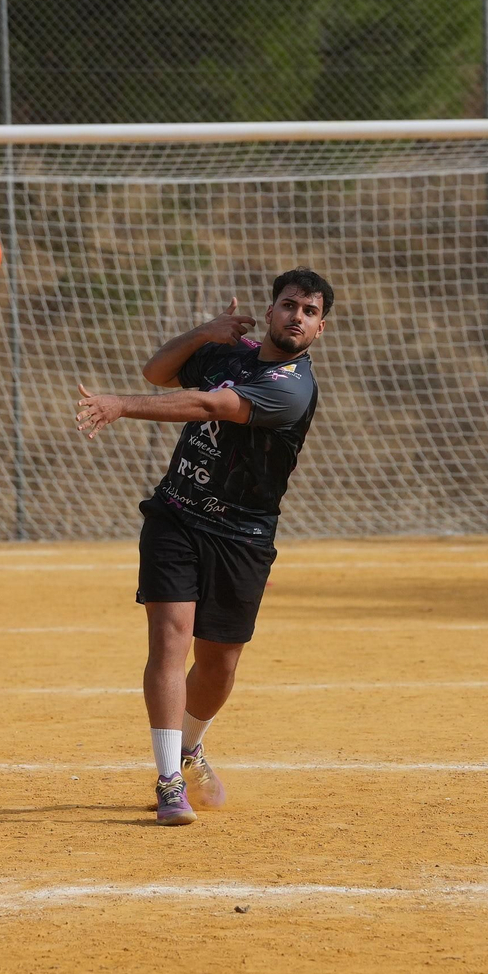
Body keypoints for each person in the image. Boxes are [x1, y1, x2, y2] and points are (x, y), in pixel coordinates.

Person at [74, 268, 333, 825]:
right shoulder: (228, 352)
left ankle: (191, 746)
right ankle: (170, 781)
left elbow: (211, 407)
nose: (297, 317)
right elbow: (158, 371)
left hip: (243, 536)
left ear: (320, 329)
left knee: (218, 666)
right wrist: (204, 332)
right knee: (170, 640)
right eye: (289, 305)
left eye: (309, 312)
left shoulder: (292, 386)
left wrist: (121, 405)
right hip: (176, 516)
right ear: (270, 312)